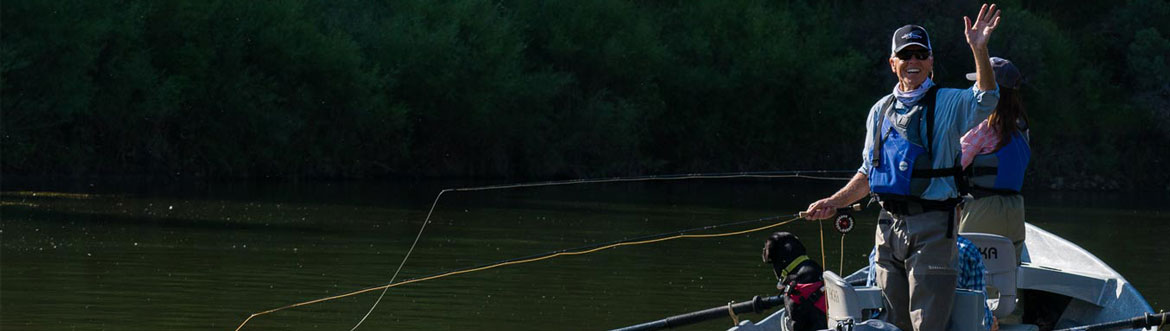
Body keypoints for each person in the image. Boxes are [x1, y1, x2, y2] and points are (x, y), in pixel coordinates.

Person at [804, 4, 1002, 330]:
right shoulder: (879, 110)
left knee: (927, 324)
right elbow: (869, 172)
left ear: (931, 62)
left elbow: (987, 98)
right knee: (893, 323)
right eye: (905, 56)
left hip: (934, 227)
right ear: (892, 62)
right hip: (887, 229)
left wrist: (979, 50)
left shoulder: (950, 102)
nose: (913, 62)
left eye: (920, 55)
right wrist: (833, 202)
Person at [958, 57, 1030, 263]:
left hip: (982, 213)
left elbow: (951, 166)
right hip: (1015, 214)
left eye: (978, 84)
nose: (974, 89)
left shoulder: (982, 127)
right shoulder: (1023, 128)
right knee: (1005, 279)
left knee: (969, 282)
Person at [865, 235, 999, 331]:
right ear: (955, 211)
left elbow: (871, 311)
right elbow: (983, 321)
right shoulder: (966, 249)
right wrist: (990, 325)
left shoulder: (880, 249)